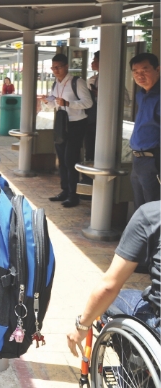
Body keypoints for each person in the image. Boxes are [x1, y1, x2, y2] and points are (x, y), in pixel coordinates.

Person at [67, 200, 160, 358]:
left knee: (111, 304)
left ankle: (133, 373)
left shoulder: (150, 214)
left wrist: (81, 326)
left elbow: (109, 286)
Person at [42, 53, 92, 208]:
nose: (55, 70)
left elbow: (88, 103)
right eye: (53, 67)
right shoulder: (55, 84)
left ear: (65, 66)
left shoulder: (77, 82)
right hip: (61, 124)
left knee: (71, 159)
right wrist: (48, 101)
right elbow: (54, 105)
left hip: (76, 124)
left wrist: (68, 103)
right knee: (62, 159)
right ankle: (64, 191)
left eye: (58, 67)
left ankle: (73, 195)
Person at [128, 52, 160, 211]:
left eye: (145, 70)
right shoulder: (142, 94)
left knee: (152, 210)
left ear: (158, 70)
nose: (140, 75)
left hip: (154, 160)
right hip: (139, 160)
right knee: (140, 210)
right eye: (135, 72)